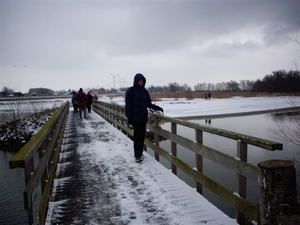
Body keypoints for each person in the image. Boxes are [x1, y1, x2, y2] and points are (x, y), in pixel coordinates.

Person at [125, 73, 164, 163]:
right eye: (139, 81)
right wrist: (129, 117)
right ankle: (137, 155)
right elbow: (128, 106)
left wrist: (158, 108)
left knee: (142, 137)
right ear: (136, 81)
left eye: (142, 81)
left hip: (143, 118)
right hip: (135, 118)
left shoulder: (144, 91)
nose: (141, 82)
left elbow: (148, 104)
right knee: (137, 137)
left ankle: (140, 153)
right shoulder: (130, 91)